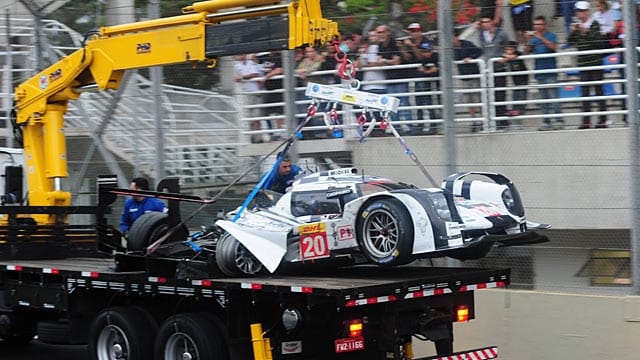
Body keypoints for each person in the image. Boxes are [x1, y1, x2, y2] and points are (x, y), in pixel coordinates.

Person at [568, 1, 608, 129]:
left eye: (582, 11)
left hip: (595, 64)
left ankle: (602, 120)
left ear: (587, 12)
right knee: (585, 94)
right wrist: (573, 31)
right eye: (579, 11)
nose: (580, 13)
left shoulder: (594, 24)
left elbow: (599, 42)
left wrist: (586, 32)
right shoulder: (577, 26)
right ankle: (586, 121)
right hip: (584, 65)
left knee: (598, 92)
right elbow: (570, 42)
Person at [525, 16, 563, 131]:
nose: (537, 27)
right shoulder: (534, 39)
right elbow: (526, 51)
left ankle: (558, 121)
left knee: (553, 98)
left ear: (545, 25)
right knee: (543, 100)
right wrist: (527, 40)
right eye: (536, 25)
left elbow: (554, 47)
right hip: (539, 72)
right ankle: (546, 122)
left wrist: (540, 38)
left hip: (550, 72)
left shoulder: (551, 35)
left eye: (540, 24)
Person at [478, 15, 511, 130]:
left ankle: (503, 122)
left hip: (499, 68)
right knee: (489, 96)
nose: (486, 24)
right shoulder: (481, 35)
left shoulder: (501, 33)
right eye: (483, 22)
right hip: (488, 69)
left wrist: (505, 57)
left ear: (492, 22)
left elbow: (509, 46)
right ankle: (493, 122)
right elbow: (484, 49)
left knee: (500, 96)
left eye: (488, 21)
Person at [453, 28, 483, 131]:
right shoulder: (451, 49)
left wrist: (470, 58)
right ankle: (473, 122)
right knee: (469, 101)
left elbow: (479, 51)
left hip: (473, 75)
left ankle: (482, 120)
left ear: (456, 37)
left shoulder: (466, 44)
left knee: (477, 99)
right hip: (464, 77)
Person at [501, 41, 528, 126]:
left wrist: (507, 57)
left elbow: (513, 57)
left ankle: (520, 112)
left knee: (521, 96)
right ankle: (514, 111)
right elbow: (501, 60)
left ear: (514, 49)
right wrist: (506, 57)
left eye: (510, 49)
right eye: (507, 49)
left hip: (523, 78)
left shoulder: (517, 53)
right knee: (515, 96)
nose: (508, 51)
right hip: (515, 80)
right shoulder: (506, 55)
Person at [416, 41, 440, 135]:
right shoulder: (422, 58)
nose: (426, 53)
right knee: (420, 106)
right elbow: (420, 70)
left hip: (433, 87)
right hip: (423, 86)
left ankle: (433, 127)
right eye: (424, 51)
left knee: (431, 106)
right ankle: (420, 127)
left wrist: (426, 71)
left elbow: (435, 69)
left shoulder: (435, 56)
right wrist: (428, 71)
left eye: (427, 51)